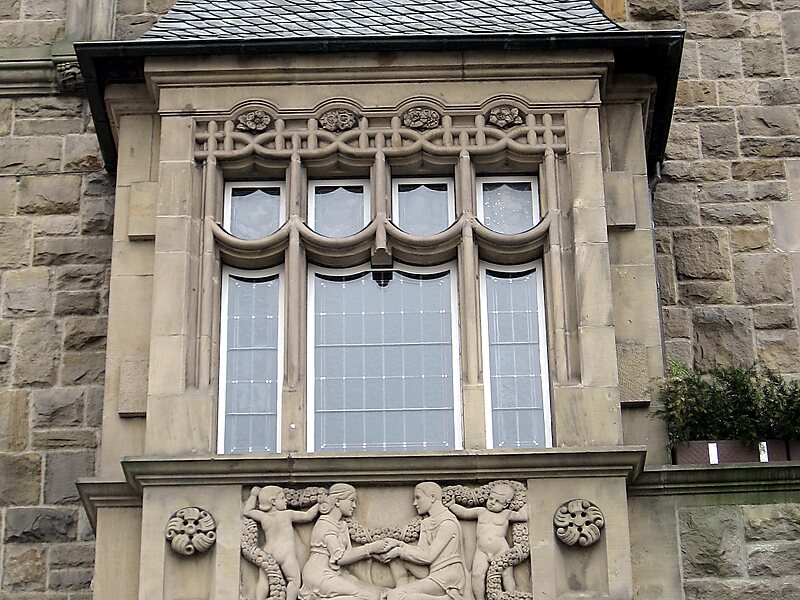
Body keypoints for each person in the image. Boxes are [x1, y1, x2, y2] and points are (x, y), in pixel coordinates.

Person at [300, 483, 399, 600]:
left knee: (379, 593)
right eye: (351, 500)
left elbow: (349, 554)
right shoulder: (325, 524)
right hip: (319, 575)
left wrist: (378, 554)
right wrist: (371, 548)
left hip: (337, 573)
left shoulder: (342, 525)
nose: (354, 505)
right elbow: (340, 558)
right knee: (369, 596)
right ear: (337, 501)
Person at [383, 482, 470, 600]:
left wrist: (400, 551)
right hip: (434, 572)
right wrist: (399, 544)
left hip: (448, 578)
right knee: (396, 590)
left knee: (396, 595)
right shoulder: (426, 523)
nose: (414, 503)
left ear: (432, 497)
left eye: (418, 498)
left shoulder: (448, 523)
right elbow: (421, 551)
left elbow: (428, 556)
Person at [445, 484, 528, 600]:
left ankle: (511, 595)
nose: (492, 502)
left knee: (507, 575)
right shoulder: (481, 511)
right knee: (477, 574)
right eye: (491, 498)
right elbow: (465, 513)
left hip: (501, 550)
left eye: (497, 501)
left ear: (506, 504)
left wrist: (524, 503)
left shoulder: (506, 514)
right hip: (482, 551)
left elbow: (523, 516)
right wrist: (452, 505)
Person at [244, 486, 321, 600]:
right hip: (285, 553)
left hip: (268, 552)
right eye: (282, 498)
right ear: (273, 501)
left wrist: (253, 495)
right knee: (294, 580)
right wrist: (319, 503)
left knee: (264, 580)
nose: (285, 500)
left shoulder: (263, 516)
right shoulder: (287, 514)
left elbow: (247, 511)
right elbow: (308, 516)